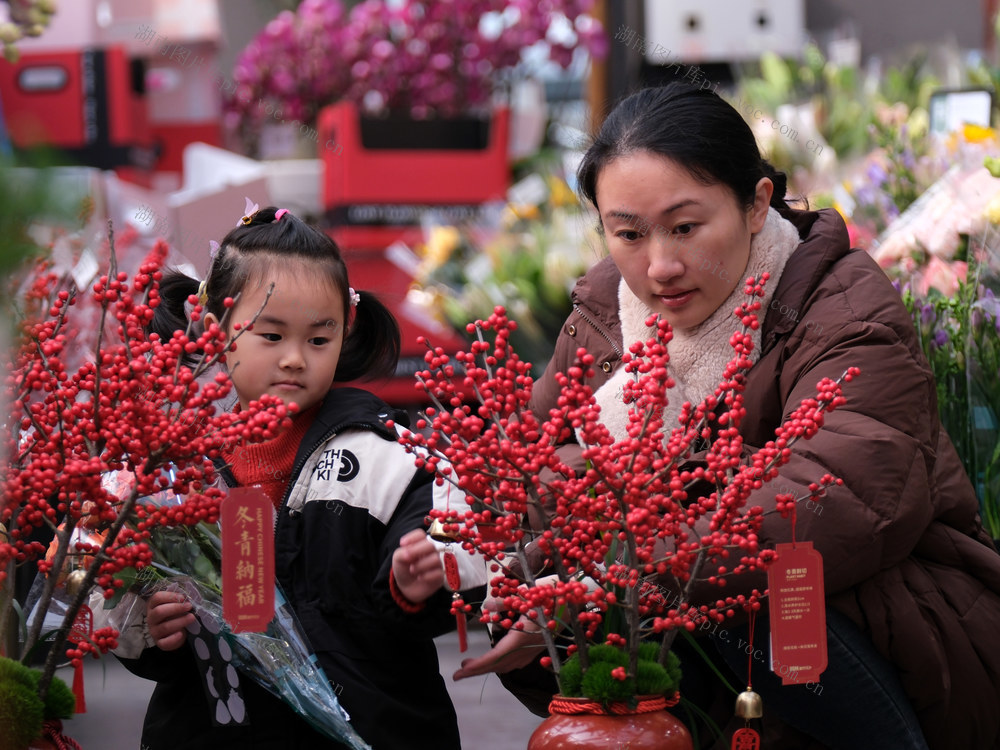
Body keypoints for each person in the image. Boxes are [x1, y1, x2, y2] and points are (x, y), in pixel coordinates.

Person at [453, 84, 1000, 750]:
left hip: (870, 627)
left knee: (766, 583)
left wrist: (620, 557)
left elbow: (844, 493)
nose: (659, 266)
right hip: (683, 626)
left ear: (756, 203)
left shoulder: (843, 308)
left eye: (685, 227)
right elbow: (532, 460)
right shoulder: (603, 313)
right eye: (627, 233)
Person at [119, 205, 483, 749]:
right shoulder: (175, 472)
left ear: (345, 329)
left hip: (373, 729)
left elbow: (458, 555)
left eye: (318, 340)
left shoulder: (390, 457)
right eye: (271, 335)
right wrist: (155, 628)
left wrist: (413, 580)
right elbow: (118, 603)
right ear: (216, 325)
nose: (295, 359)